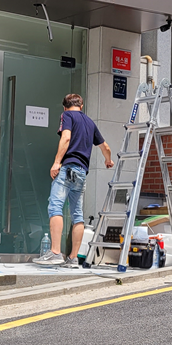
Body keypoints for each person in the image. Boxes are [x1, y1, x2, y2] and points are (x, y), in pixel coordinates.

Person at [33, 93, 113, 266]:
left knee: (55, 206)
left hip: (68, 168)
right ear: (81, 106)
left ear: (65, 107)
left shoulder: (67, 115)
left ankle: (55, 252)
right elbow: (105, 147)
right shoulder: (90, 122)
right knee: (77, 214)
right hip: (82, 172)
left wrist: (56, 162)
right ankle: (73, 258)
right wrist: (108, 160)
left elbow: (66, 137)